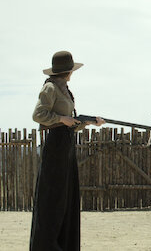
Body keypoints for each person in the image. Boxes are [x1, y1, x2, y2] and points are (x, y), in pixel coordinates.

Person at [30, 51, 105, 251]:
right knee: (54, 196)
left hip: (66, 143)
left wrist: (89, 122)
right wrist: (62, 119)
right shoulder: (50, 88)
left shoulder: (64, 89)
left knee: (65, 195)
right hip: (55, 145)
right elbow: (38, 114)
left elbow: (70, 122)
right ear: (68, 71)